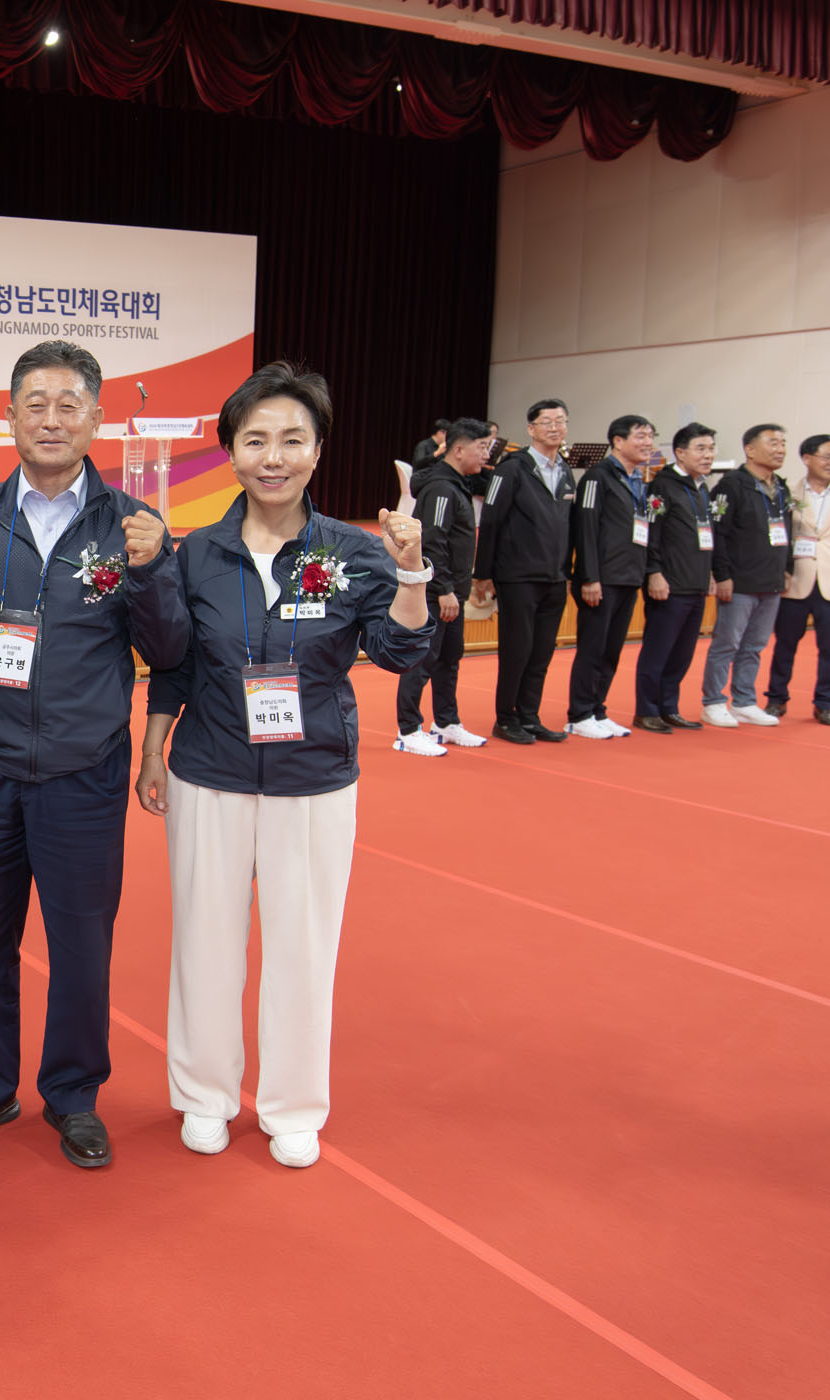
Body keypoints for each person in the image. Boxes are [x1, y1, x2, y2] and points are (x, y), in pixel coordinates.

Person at [139, 362, 433, 1170]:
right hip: (210, 770)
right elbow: (174, 663)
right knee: (204, 940)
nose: (273, 457)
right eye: (256, 439)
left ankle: (293, 1104)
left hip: (314, 778)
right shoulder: (197, 553)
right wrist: (154, 747)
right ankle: (204, 1094)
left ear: (318, 451)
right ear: (231, 451)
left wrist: (410, 570)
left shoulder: (354, 551)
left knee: (304, 946)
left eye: (292, 440)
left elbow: (400, 649)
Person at [0, 340, 186, 1169]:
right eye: (35, 404)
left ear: (96, 419)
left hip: (84, 771)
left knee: (81, 948)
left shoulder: (132, 527)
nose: (51, 419)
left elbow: (169, 649)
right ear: (9, 417)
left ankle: (73, 1094)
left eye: (69, 405)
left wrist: (150, 569)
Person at [473, 399, 575, 744]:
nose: (555, 428)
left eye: (560, 421)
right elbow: (491, 519)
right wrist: (483, 572)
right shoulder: (512, 468)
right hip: (517, 575)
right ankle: (505, 718)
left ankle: (530, 716)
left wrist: (569, 570)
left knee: (542, 652)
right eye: (547, 422)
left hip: (555, 576)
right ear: (531, 429)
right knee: (517, 650)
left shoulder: (565, 470)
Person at [394, 417, 489, 754]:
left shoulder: (459, 484)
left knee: (449, 660)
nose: (486, 455)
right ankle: (408, 729)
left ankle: (446, 722)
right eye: (482, 448)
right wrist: (444, 588)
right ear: (459, 449)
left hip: (455, 593)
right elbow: (432, 541)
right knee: (422, 660)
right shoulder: (441, 488)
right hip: (437, 594)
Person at [565, 415, 658, 739]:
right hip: (601, 578)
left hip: (629, 575)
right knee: (593, 648)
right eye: (641, 436)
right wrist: (589, 576)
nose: (648, 443)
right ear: (618, 441)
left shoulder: (639, 480)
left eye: (651, 436)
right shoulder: (597, 476)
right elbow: (585, 528)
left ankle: (597, 709)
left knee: (612, 650)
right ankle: (579, 713)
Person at [702, 424, 794, 727]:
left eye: (782, 443)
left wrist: (787, 568)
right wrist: (722, 575)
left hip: (771, 580)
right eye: (773, 443)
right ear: (750, 450)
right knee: (726, 644)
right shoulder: (730, 485)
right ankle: (713, 701)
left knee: (755, 646)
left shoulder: (781, 487)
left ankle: (743, 701)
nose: (780, 449)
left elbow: (787, 532)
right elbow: (718, 533)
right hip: (739, 581)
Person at [633, 423, 718, 732]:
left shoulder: (702, 487)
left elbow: (706, 535)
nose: (708, 455)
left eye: (711, 449)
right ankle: (647, 710)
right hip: (669, 584)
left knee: (682, 654)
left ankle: (669, 707)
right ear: (680, 453)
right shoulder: (662, 486)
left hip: (696, 582)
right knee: (658, 651)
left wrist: (710, 572)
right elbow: (651, 533)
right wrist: (654, 572)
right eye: (701, 448)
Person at [764, 433, 830, 723]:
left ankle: (825, 702)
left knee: (828, 648)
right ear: (807, 458)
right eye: (826, 457)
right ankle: (776, 698)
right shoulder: (788, 493)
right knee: (785, 644)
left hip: (828, 580)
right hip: (795, 580)